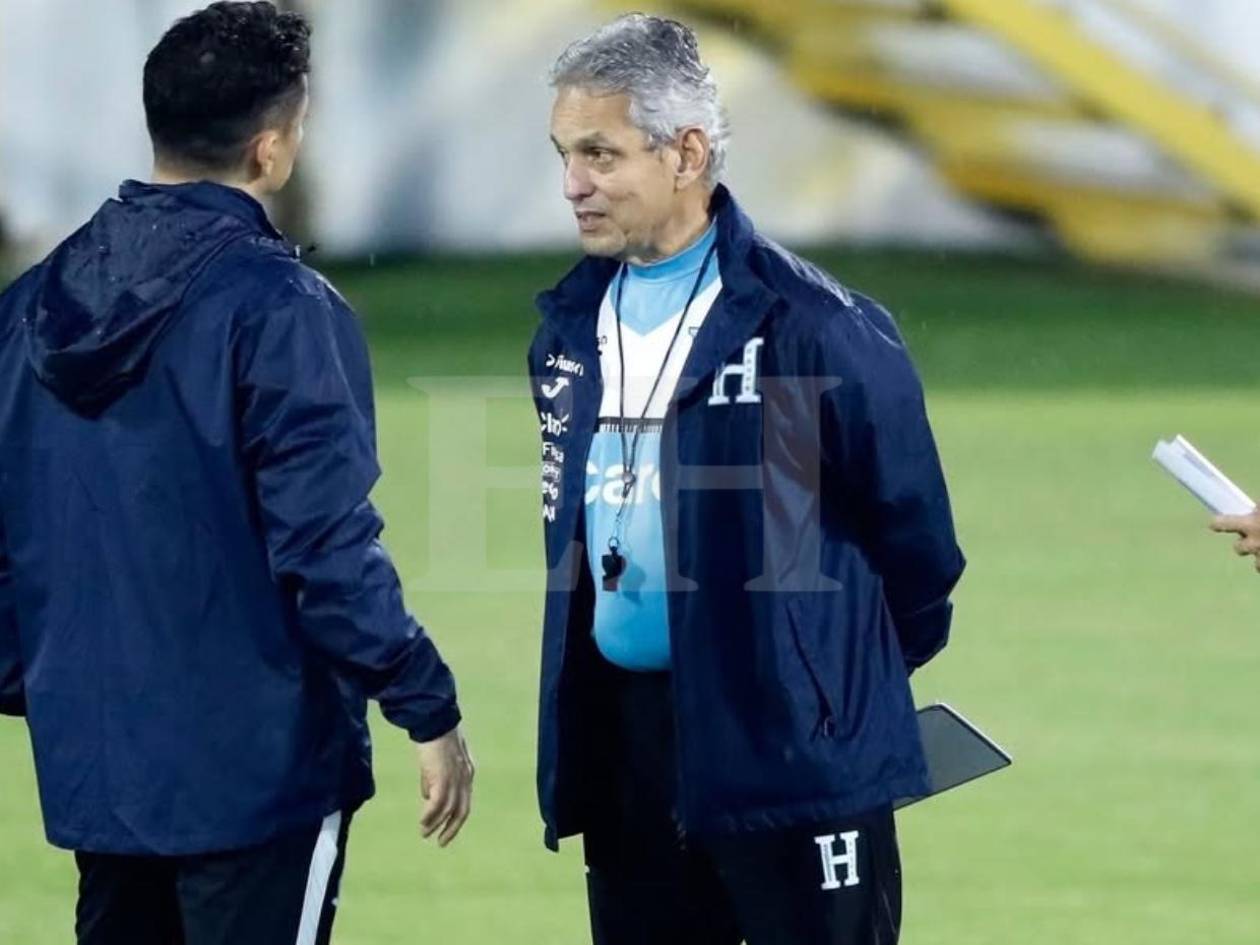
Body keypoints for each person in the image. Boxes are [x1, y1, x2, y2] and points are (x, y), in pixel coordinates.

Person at [0, 4, 473, 943]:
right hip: (255, 777)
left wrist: (49, 685)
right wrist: (425, 701)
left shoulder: (29, 305)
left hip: (100, 770)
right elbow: (326, 551)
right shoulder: (281, 306)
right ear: (271, 148)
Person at [528, 14, 966, 945]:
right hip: (633, 749)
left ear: (686, 153)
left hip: (791, 753)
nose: (573, 184)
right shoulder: (565, 328)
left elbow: (918, 547)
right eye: (566, 154)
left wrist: (835, 688)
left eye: (600, 154)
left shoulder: (818, 327)